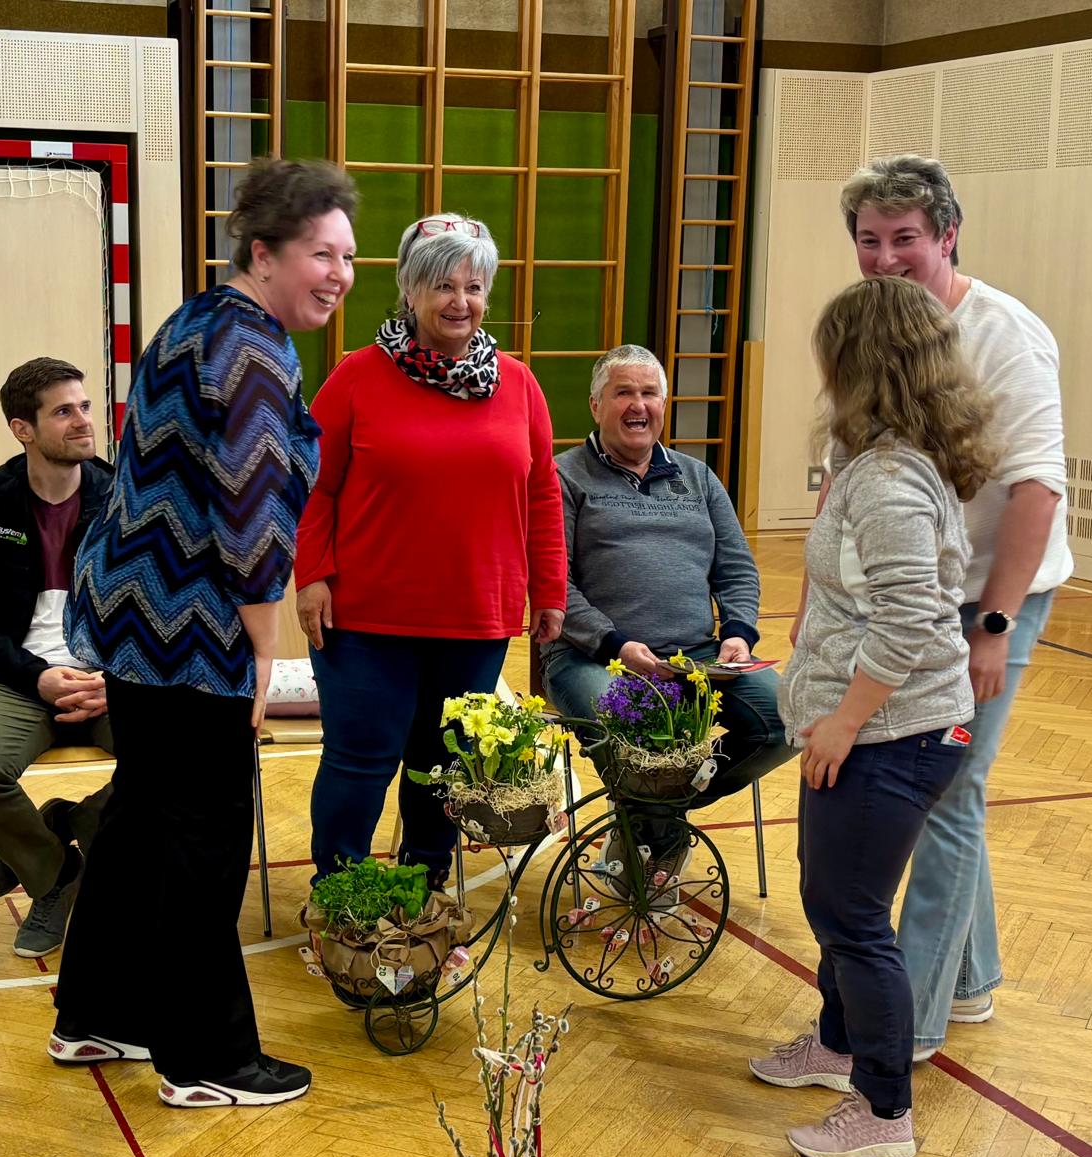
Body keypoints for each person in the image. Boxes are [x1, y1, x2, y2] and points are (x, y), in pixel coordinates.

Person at [44, 158, 356, 1108]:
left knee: (141, 815)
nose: (340, 275)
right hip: (191, 634)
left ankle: (96, 1011)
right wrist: (264, 649)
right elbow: (250, 517)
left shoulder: (193, 321)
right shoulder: (255, 351)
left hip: (127, 617)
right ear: (263, 253)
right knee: (205, 838)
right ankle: (205, 1058)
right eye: (321, 254)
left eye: (348, 257)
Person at [792, 154, 1072, 1058]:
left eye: (904, 238)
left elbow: (1037, 491)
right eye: (869, 240)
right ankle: (972, 978)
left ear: (948, 237)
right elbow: (840, 480)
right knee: (945, 790)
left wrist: (993, 626)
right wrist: (811, 603)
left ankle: (904, 1026)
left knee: (946, 794)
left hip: (988, 596)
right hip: (900, 593)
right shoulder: (874, 326)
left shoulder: (1006, 335)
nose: (884, 257)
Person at [752, 276, 997, 1157]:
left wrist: (845, 722)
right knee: (835, 902)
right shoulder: (878, 459)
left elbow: (911, 620)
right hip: (881, 728)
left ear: (862, 365)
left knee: (852, 916)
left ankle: (884, 1111)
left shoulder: (890, 480)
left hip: (895, 735)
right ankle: (838, 1043)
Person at [297, 213, 566, 886]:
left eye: (474, 287)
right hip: (364, 618)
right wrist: (312, 575)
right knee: (361, 760)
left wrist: (550, 591)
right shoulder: (356, 377)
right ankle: (342, 893)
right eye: (443, 285)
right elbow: (311, 488)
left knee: (444, 764)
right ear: (410, 291)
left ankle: (423, 888)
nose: (460, 301)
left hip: (476, 615)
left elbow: (541, 494)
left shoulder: (520, 385)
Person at [540, 344, 794, 882]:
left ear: (664, 403)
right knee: (635, 732)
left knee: (787, 720)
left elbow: (737, 569)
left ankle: (658, 815)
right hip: (594, 657)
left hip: (698, 656)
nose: (638, 405)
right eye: (623, 393)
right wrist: (615, 644)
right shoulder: (562, 476)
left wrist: (739, 633)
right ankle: (661, 844)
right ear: (595, 405)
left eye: (649, 393)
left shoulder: (698, 477)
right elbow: (552, 584)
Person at [0, 357, 114, 959]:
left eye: (84, 406)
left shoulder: (127, 500)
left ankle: (70, 820)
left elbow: (152, 611)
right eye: (63, 411)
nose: (83, 421)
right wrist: (37, 677)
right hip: (15, 674)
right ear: (23, 429)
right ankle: (54, 871)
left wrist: (113, 680)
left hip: (111, 675)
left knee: (180, 754)